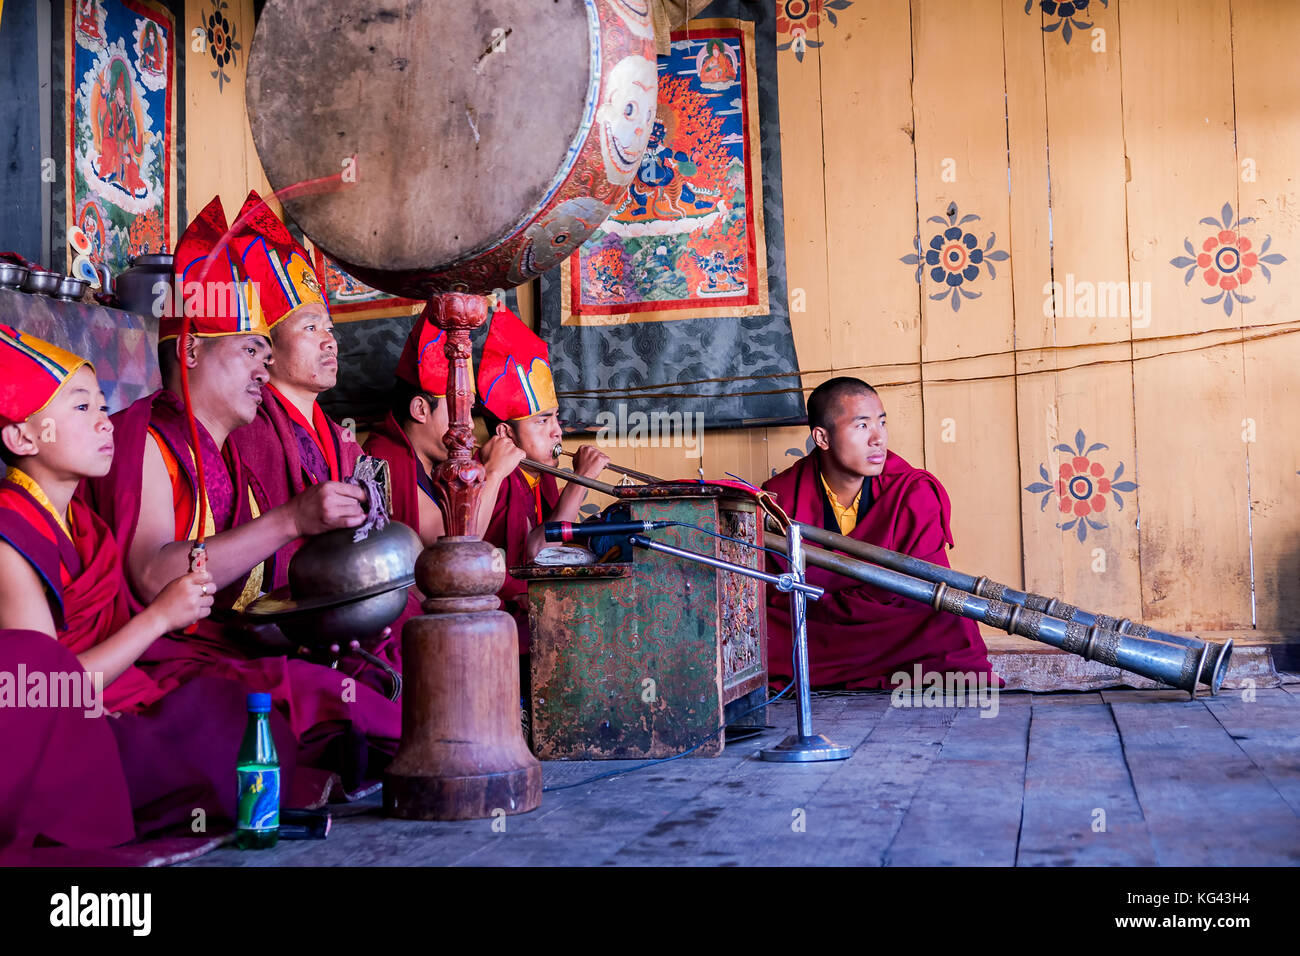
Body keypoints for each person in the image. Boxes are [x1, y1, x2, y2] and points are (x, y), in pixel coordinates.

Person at [79, 195, 400, 797]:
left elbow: (251, 587)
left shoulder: (229, 448)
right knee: (297, 709)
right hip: (159, 661)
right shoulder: (145, 437)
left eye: (267, 351)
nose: (265, 365)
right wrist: (290, 520)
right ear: (193, 350)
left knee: (352, 677)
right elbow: (152, 574)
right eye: (251, 348)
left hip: (221, 648)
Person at [0, 327, 300, 859]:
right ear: (23, 438)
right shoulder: (11, 535)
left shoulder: (85, 526)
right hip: (49, 739)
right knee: (203, 756)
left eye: (101, 404)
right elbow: (42, 698)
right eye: (80, 407)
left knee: (239, 720)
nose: (103, 421)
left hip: (109, 701)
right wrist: (159, 618)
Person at [761, 377, 1000, 690]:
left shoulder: (913, 492)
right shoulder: (780, 496)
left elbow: (926, 579)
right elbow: (771, 587)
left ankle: (827, 667)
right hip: (814, 619)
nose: (878, 439)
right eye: (862, 426)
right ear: (822, 437)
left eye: (882, 423)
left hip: (890, 620)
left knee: (948, 618)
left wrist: (839, 607)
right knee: (763, 630)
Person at [228, 191, 363, 588]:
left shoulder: (339, 436)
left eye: (329, 329)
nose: (329, 342)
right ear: (267, 348)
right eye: (310, 327)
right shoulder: (250, 427)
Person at [476, 308, 609, 653]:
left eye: (555, 419)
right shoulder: (491, 475)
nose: (557, 431)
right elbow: (538, 557)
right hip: (501, 615)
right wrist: (580, 481)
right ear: (505, 432)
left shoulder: (539, 473)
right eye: (542, 421)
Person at [362, 306, 523, 545]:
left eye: (469, 410)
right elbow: (454, 542)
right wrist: (494, 472)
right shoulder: (382, 460)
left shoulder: (437, 464)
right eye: (459, 408)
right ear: (420, 409)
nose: (469, 423)